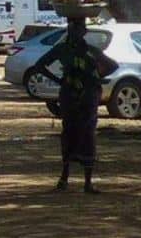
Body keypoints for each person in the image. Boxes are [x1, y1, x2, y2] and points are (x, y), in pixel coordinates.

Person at [28, 14, 119, 193]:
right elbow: (39, 66)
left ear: (83, 32)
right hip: (72, 95)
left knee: (86, 133)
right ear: (71, 30)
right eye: (75, 28)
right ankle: (66, 178)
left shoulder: (89, 51)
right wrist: (61, 80)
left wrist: (94, 78)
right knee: (71, 132)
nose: (77, 32)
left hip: (85, 96)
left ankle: (85, 181)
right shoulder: (67, 50)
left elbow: (112, 65)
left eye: (80, 29)